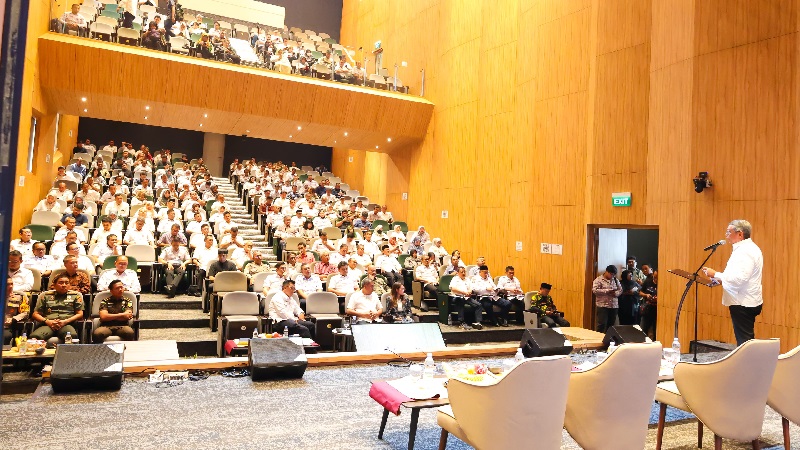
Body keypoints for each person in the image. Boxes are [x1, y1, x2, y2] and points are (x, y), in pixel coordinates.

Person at [703, 219, 763, 346]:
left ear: (740, 234)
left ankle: (748, 365)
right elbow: (736, 275)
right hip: (745, 300)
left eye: (728, 232)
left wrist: (715, 274)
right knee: (746, 341)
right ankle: (748, 364)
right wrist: (719, 279)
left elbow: (740, 279)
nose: (726, 235)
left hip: (743, 303)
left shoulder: (745, 251)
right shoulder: (745, 248)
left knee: (745, 343)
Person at [30, 273, 84, 342]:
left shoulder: (75, 295)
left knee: (71, 336)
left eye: (66, 283)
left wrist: (65, 321)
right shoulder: (45, 295)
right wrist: (47, 321)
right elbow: (35, 314)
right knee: (35, 337)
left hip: (66, 324)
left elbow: (80, 314)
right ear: (54, 285)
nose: (64, 285)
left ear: (69, 285)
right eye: (61, 283)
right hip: (48, 324)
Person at [592, 265, 622, 333]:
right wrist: (607, 291)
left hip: (614, 305)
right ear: (607, 272)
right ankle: (599, 339)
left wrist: (616, 293)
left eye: (614, 274)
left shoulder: (615, 280)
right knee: (601, 324)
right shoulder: (598, 280)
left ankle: (608, 339)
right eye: (611, 274)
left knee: (611, 325)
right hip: (602, 305)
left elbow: (620, 290)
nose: (612, 276)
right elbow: (594, 290)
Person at [4, 277, 29, 344]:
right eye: (7, 284)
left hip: (6, 327)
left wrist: (14, 319)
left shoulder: (19, 297)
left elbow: (25, 313)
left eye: (12, 284)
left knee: (5, 336)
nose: (11, 286)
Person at [639, 270, 658, 340]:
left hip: (658, 309)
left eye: (657, 278)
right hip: (648, 308)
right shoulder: (648, 281)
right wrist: (646, 295)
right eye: (654, 277)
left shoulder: (663, 283)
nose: (655, 279)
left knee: (655, 329)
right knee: (643, 327)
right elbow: (640, 292)